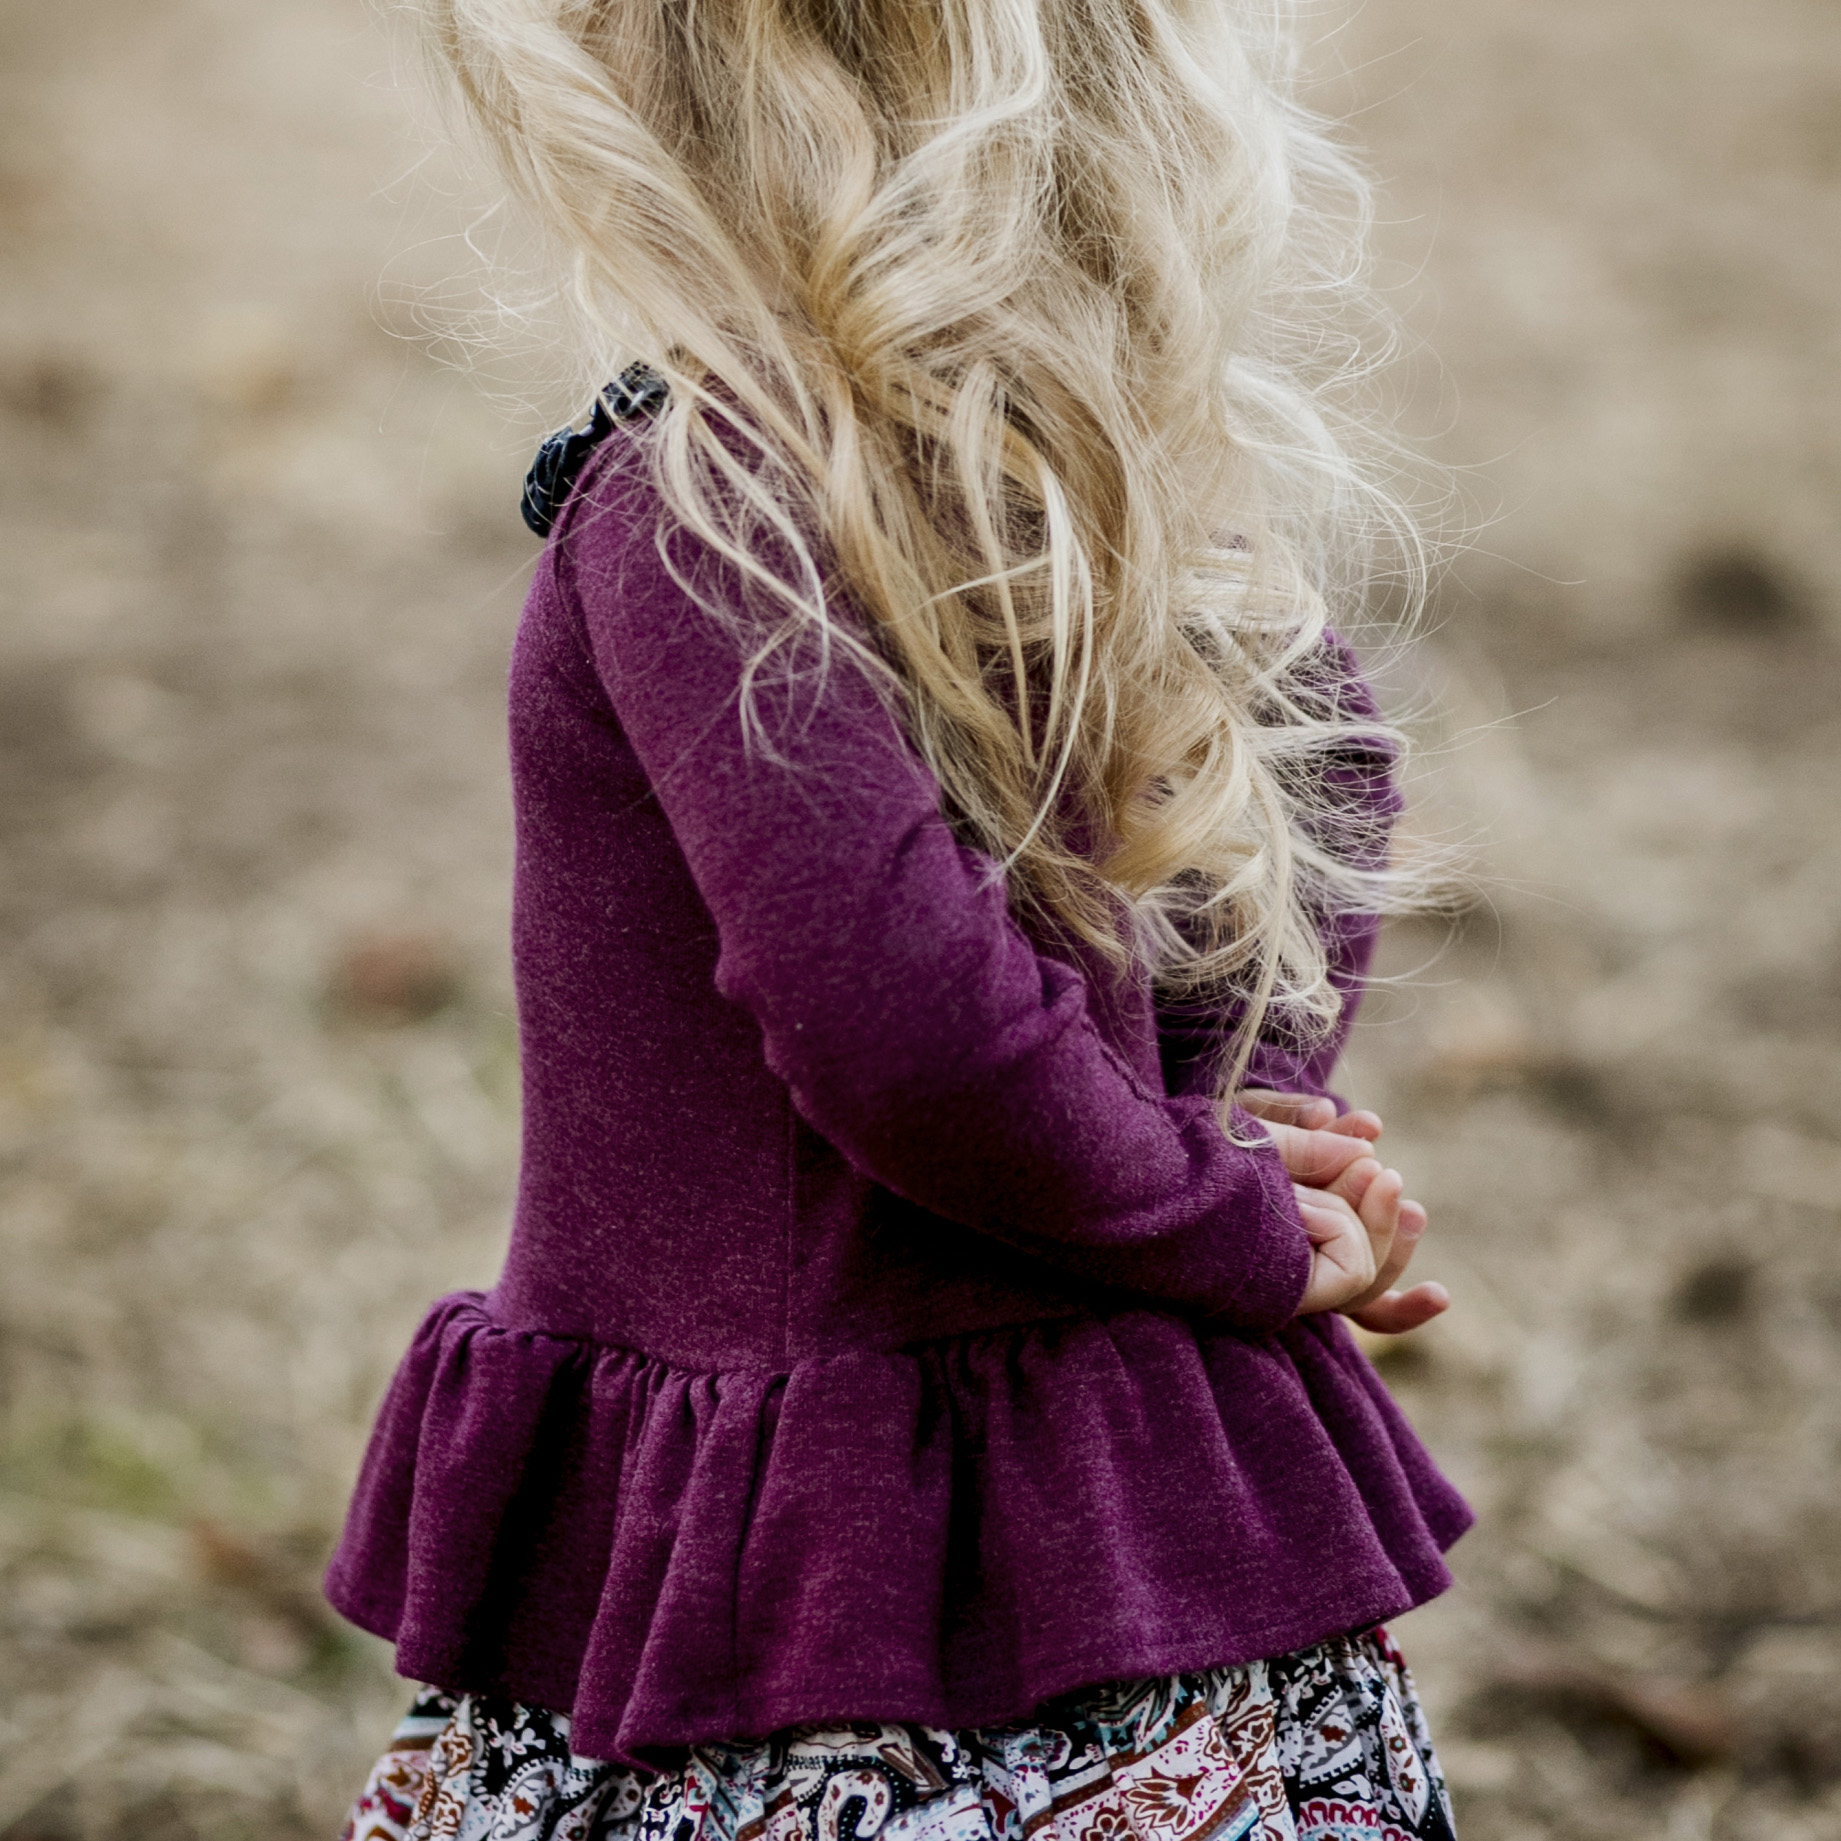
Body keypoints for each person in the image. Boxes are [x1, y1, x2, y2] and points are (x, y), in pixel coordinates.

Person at [328, 0, 1473, 1833]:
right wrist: (1225, 1143)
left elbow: (906, 1027)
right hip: (1139, 1561)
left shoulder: (708, 494)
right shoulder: (1106, 487)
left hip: (814, 1626)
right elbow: (1307, 804)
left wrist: (1215, 1203)